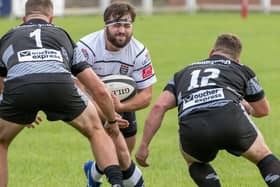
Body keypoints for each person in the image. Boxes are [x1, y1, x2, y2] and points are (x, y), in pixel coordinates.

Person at [0, 0, 125, 187]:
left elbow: (1, 81)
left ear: (24, 18)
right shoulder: (62, 34)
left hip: (21, 88)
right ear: (51, 19)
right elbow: (99, 89)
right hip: (60, 84)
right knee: (96, 130)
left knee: (1, 142)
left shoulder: (8, 36)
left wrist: (21, 107)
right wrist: (111, 122)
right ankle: (116, 183)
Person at [135, 33, 280, 187]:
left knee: (194, 161)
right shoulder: (241, 68)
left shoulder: (182, 73)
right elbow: (263, 110)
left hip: (194, 127)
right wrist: (247, 107)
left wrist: (144, 145)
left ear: (211, 52)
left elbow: (159, 106)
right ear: (237, 59)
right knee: (263, 156)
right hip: (229, 118)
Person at [76, 1, 156, 187]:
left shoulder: (139, 53)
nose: (122, 30)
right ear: (106, 26)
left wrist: (120, 107)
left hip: (121, 103)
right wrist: (106, 113)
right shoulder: (86, 47)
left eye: (127, 25)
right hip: (91, 101)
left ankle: (93, 171)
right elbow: (77, 85)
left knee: (123, 154)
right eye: (116, 25)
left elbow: (147, 95)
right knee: (120, 155)